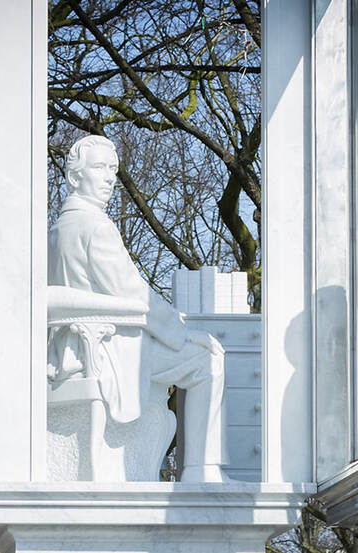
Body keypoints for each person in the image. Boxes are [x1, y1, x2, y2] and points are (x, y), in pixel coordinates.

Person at [48, 135, 230, 481]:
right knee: (209, 359)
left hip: (72, 350)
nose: (109, 178)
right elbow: (134, 296)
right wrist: (180, 332)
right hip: (107, 350)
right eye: (99, 168)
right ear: (74, 177)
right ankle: (201, 472)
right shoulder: (95, 228)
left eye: (113, 169)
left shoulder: (57, 230)